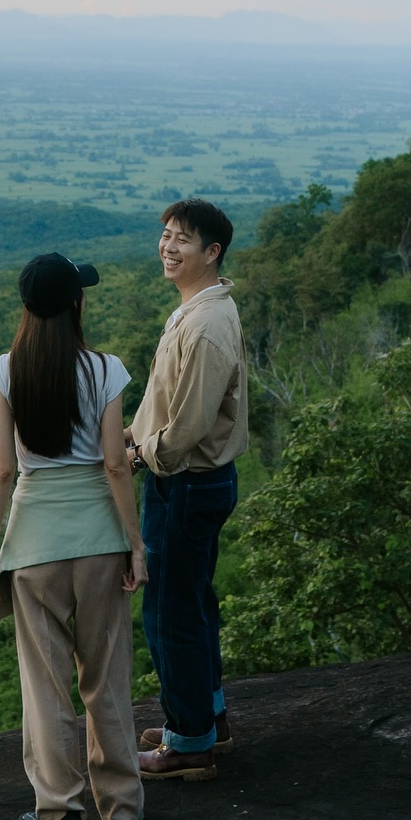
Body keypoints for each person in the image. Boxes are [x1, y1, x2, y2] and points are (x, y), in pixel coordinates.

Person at [0, 252, 148, 820]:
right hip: (100, 537)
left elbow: (2, 468)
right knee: (107, 680)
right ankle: (124, 812)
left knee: (46, 686)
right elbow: (113, 464)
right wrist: (134, 544)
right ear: (76, 303)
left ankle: (60, 819)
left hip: (34, 543)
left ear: (26, 309)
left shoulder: (3, 372)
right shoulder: (105, 369)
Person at [125, 199, 248, 783]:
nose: (169, 247)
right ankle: (206, 719)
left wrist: (138, 454)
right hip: (192, 477)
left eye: (184, 240)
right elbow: (166, 405)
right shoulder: (198, 310)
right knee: (194, 602)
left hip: (186, 481)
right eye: (166, 235)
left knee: (169, 611)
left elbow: (189, 426)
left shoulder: (203, 326)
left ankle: (189, 741)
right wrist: (133, 433)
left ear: (212, 252)